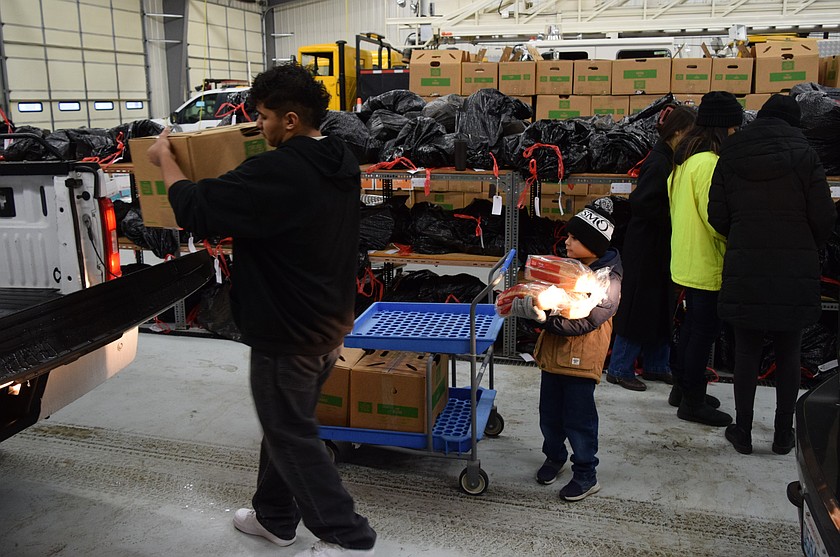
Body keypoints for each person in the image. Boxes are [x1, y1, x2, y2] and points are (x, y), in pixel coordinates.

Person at [146, 63, 376, 557]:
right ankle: (274, 518)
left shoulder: (279, 171)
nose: (259, 127)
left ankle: (347, 536)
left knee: (290, 432)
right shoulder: (339, 158)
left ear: (290, 120)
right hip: (329, 321)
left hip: (286, 329)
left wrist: (165, 159)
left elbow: (195, 208)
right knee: (285, 421)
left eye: (265, 117)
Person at [708, 94, 836, 455]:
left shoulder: (731, 154)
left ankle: (743, 431)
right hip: (794, 266)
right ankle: (783, 434)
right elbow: (825, 217)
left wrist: (744, 234)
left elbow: (716, 214)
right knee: (789, 350)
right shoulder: (806, 155)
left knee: (746, 351)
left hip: (746, 265)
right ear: (794, 123)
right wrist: (803, 241)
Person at [508, 198, 623, 501]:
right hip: (554, 357)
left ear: (593, 244)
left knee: (579, 419)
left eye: (574, 237)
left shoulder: (608, 281)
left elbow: (585, 324)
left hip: (581, 359)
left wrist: (543, 319)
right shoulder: (572, 268)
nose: (567, 241)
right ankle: (554, 455)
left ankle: (586, 474)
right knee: (550, 413)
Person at [606, 105, 696, 392]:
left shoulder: (670, 159)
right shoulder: (659, 162)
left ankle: (658, 365)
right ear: (679, 131)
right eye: (691, 135)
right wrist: (675, 216)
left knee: (661, 307)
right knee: (637, 308)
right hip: (646, 247)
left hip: (661, 246)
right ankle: (619, 368)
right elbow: (642, 203)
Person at [668, 90, 743, 427]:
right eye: (734, 129)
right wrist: (733, 241)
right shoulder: (710, 164)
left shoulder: (684, 162)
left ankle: (683, 391)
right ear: (723, 128)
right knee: (701, 332)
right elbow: (716, 219)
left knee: (691, 331)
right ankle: (693, 403)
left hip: (685, 259)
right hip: (707, 262)